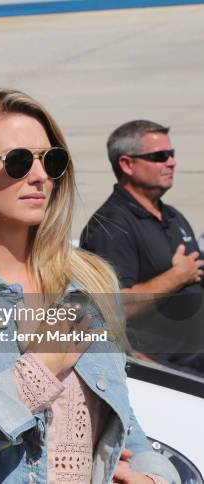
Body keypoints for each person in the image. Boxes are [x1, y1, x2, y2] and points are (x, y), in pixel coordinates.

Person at [0, 89, 178, 483]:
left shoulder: (89, 281)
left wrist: (155, 477)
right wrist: (37, 371)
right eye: (19, 161)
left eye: (51, 160)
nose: (40, 176)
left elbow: (125, 424)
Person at [80, 120, 204, 371]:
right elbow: (113, 307)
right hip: (168, 371)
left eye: (171, 154)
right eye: (159, 156)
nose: (171, 162)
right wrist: (177, 277)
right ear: (127, 164)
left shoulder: (172, 216)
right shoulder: (111, 225)